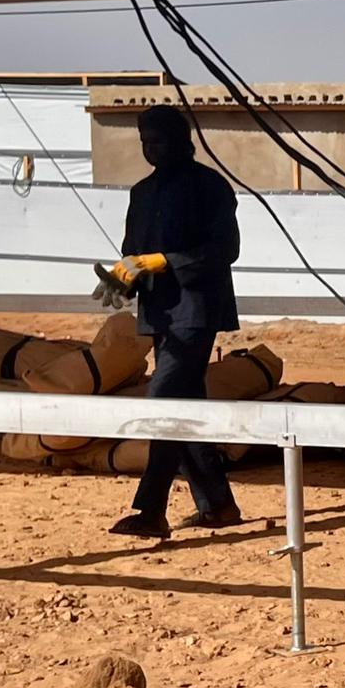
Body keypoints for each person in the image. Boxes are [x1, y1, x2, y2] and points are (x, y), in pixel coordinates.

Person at [104, 104, 244, 538]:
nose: (151, 150)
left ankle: (150, 509)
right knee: (184, 405)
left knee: (164, 398)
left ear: (184, 142)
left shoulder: (210, 187)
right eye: (145, 142)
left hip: (197, 310)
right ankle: (218, 505)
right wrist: (121, 277)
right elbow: (133, 251)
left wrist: (166, 261)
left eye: (159, 141)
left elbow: (224, 250)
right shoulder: (141, 193)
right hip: (160, 311)